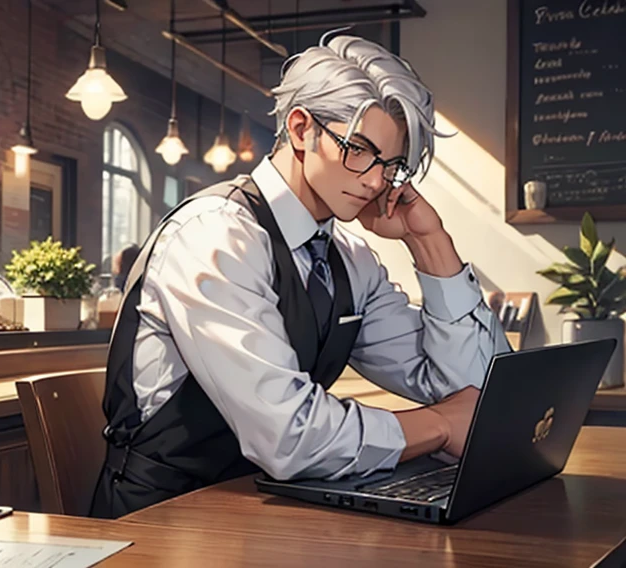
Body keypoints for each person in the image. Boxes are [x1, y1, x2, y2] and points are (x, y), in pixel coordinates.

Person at [89, 33, 511, 519]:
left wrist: (429, 241)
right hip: (165, 522)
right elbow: (287, 435)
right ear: (300, 128)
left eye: (392, 166)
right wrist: (437, 425)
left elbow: (476, 392)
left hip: (268, 509)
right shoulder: (216, 235)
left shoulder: (349, 258)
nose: (376, 180)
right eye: (360, 150)